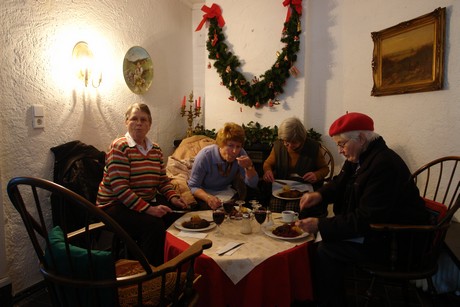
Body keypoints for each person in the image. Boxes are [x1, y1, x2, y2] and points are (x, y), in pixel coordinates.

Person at [295, 112, 429, 306]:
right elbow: (339, 183)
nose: (339, 150)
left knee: (326, 249)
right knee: (317, 235)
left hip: (395, 241)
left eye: (342, 144)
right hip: (377, 231)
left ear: (361, 138)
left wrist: (321, 225)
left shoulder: (383, 164)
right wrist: (319, 195)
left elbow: (366, 218)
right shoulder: (361, 157)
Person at [96, 103, 187, 266]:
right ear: (126, 122)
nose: (139, 123)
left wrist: (173, 197)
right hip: (114, 205)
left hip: (142, 201)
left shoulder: (156, 149)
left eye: (143, 119)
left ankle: (174, 264)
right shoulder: (120, 147)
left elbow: (162, 180)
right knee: (154, 225)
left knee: (178, 214)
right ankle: (150, 273)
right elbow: (121, 189)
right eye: (134, 119)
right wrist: (149, 209)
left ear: (149, 124)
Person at [261, 117, 329, 216]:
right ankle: (276, 229)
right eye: (286, 141)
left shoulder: (313, 147)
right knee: (275, 206)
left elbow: (325, 169)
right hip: (282, 188)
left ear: (302, 139)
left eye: (293, 142)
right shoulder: (278, 146)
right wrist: (268, 171)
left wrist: (316, 175)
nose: (288, 145)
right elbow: (267, 164)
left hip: (304, 189)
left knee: (292, 208)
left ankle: (294, 230)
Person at [188, 122, 259, 210]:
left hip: (226, 192)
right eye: (230, 145)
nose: (234, 151)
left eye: (238, 146)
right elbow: (193, 186)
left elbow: (253, 184)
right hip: (204, 193)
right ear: (221, 144)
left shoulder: (240, 153)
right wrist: (208, 198)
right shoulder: (205, 155)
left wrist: (249, 167)